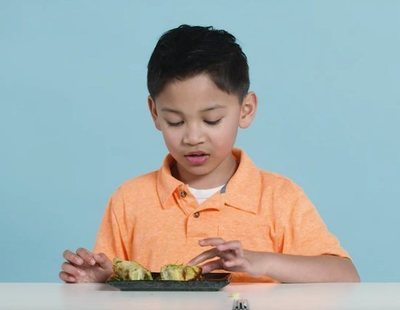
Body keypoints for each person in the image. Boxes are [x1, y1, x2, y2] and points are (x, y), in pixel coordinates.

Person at [59, 25, 360, 283]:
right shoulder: (129, 200)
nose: (193, 137)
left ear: (246, 110)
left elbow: (345, 275)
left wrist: (261, 262)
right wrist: (99, 280)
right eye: (175, 121)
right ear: (155, 114)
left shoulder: (279, 197)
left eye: (212, 120)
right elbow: (114, 285)